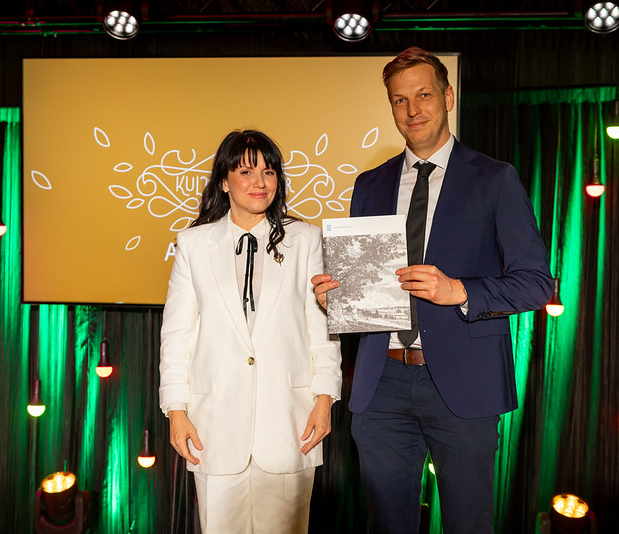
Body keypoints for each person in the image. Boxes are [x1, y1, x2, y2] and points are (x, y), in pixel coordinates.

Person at [312, 47, 553, 534]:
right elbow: (367, 285)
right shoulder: (370, 184)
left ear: (448, 95)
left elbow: (536, 285)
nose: (412, 110)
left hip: (463, 386)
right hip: (382, 386)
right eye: (400, 100)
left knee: (468, 524)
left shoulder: (495, 179)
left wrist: (460, 290)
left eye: (423, 95)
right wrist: (336, 296)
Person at [159, 130, 342, 534]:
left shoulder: (307, 239)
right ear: (224, 181)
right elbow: (177, 335)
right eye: (246, 171)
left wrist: (325, 398)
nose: (260, 182)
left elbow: (322, 329)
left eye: (269, 171)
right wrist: (176, 410)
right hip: (213, 428)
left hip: (292, 424)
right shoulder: (192, 244)